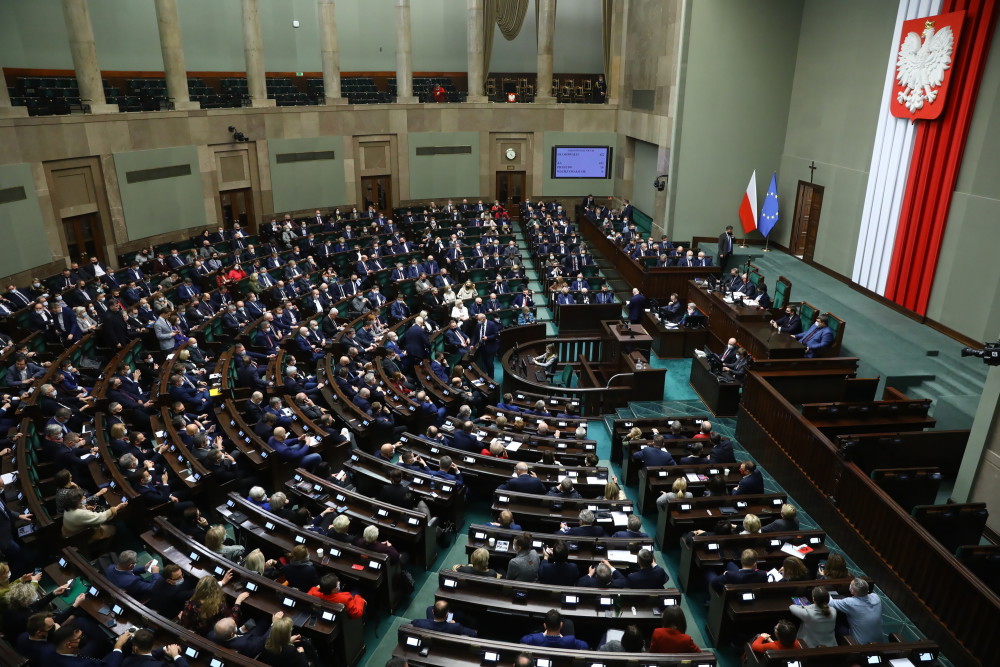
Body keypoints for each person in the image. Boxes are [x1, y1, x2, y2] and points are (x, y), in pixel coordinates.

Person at [829, 578, 884, 644]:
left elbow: (830, 603)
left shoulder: (850, 603)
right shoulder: (876, 597)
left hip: (859, 644)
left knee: (837, 622)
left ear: (852, 591)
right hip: (880, 642)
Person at [520, 609, 588, 649]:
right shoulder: (569, 640)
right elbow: (585, 645)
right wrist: (562, 637)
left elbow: (523, 639)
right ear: (561, 625)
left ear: (545, 625)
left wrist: (543, 634)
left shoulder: (536, 638)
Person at [412, 600, 477, 636]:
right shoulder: (456, 626)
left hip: (431, 627)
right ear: (447, 614)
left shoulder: (418, 622)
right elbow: (473, 633)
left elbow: (411, 623)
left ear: (433, 612)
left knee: (429, 608)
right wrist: (452, 624)